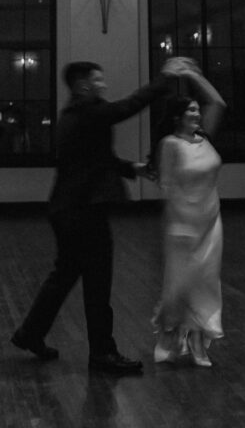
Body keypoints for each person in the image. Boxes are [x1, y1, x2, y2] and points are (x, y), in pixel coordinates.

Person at [11, 56, 195, 374]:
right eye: (98, 80)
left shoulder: (76, 116)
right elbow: (127, 107)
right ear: (83, 85)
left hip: (66, 209)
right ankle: (102, 354)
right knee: (97, 283)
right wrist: (165, 79)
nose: (104, 84)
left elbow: (96, 158)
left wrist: (131, 168)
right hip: (84, 212)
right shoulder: (87, 112)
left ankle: (30, 333)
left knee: (65, 275)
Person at [149, 59, 227, 368]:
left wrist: (194, 75)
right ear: (178, 116)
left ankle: (197, 339)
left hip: (211, 222)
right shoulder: (170, 144)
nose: (197, 113)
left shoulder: (204, 139)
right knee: (179, 284)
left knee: (207, 282)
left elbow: (218, 102)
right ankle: (169, 335)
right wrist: (176, 223)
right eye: (191, 110)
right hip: (183, 224)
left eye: (198, 109)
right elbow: (167, 188)